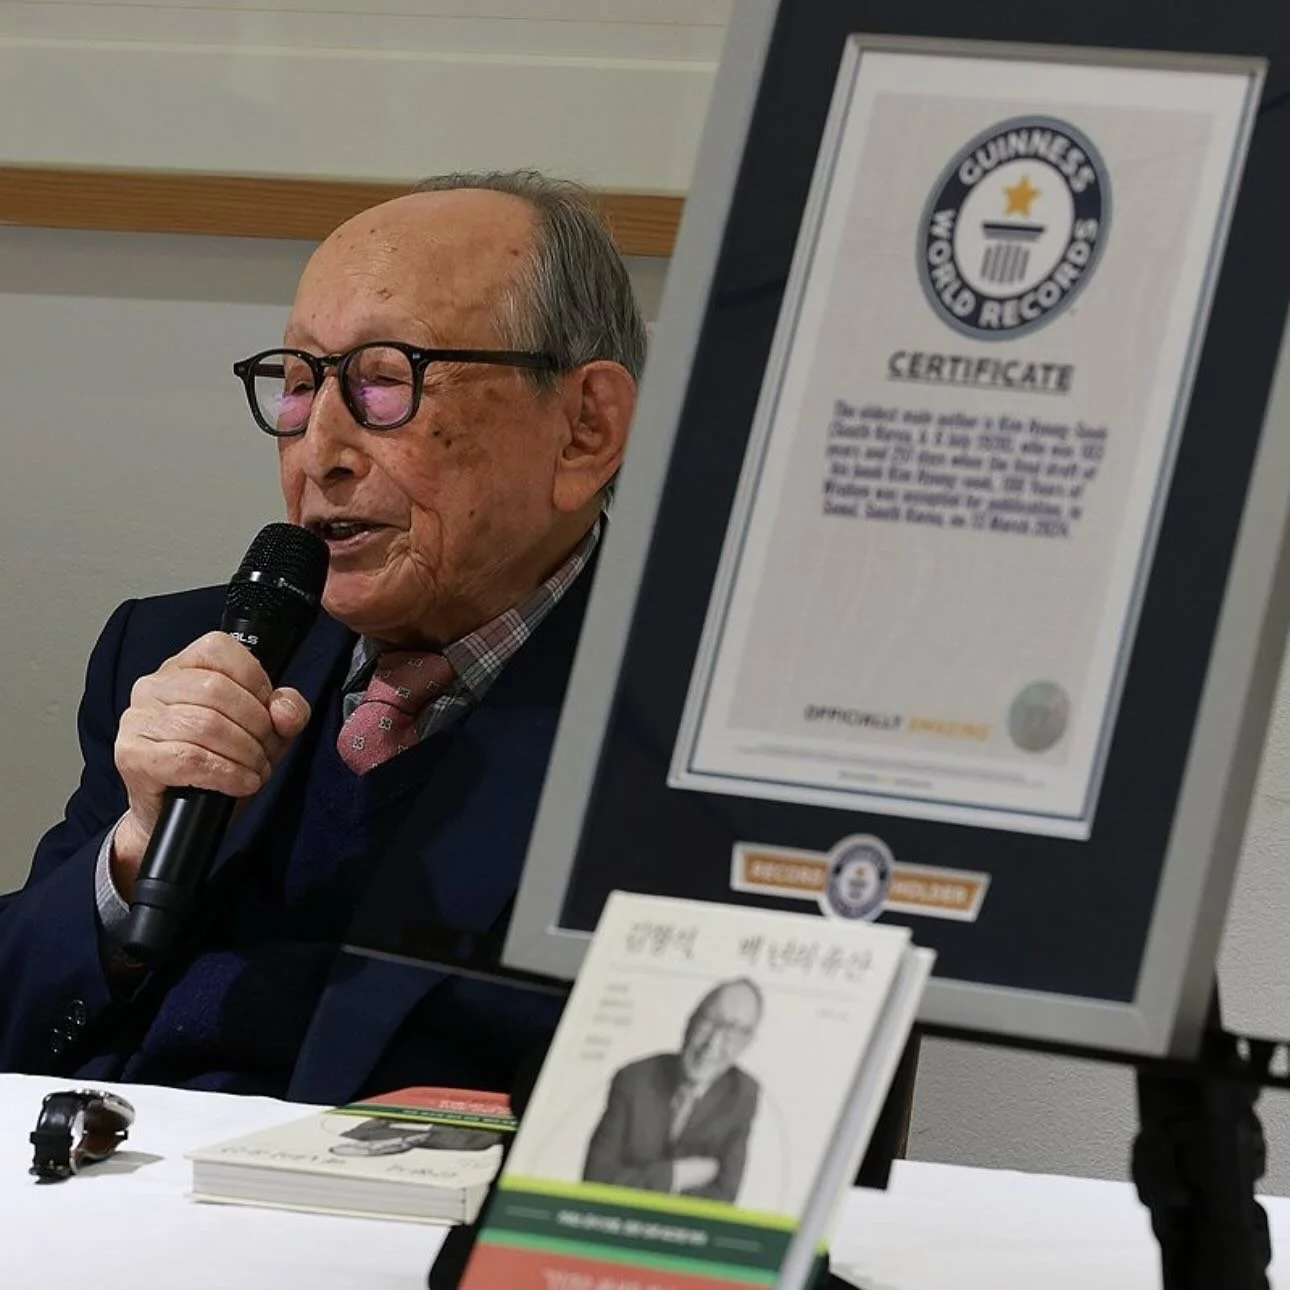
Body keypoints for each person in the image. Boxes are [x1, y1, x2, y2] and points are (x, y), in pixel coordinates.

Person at [0, 170, 642, 1105]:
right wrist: (133, 850)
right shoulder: (176, 651)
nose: (321, 451)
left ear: (584, 427)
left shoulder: (683, 733)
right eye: (300, 384)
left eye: (387, 381)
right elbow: (16, 1025)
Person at [582, 978, 762, 1203]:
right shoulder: (633, 1079)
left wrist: (635, 1183)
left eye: (732, 1033)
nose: (712, 1044)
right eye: (710, 1022)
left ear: (746, 1044)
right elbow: (594, 1182)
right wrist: (675, 1175)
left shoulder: (743, 1094)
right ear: (690, 1021)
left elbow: (722, 1200)